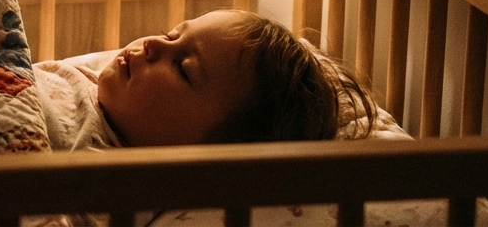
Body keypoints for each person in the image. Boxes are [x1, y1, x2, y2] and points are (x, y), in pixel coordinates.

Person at [35, 10, 376, 150]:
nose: (152, 44)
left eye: (183, 68)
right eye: (171, 35)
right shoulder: (87, 78)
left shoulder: (103, 180)